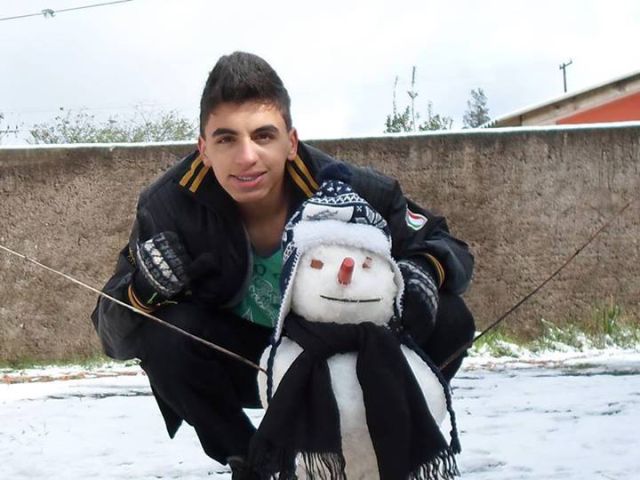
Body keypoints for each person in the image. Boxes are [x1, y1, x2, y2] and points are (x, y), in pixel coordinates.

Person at [91, 51, 474, 477]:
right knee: (164, 335)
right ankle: (255, 463)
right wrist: (143, 290)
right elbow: (113, 337)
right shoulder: (168, 205)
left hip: (345, 359)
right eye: (226, 139)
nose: (246, 157)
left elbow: (447, 245)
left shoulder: (351, 188)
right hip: (248, 362)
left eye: (263, 136)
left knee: (452, 316)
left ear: (291, 142)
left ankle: (379, 445)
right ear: (203, 149)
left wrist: (424, 270)